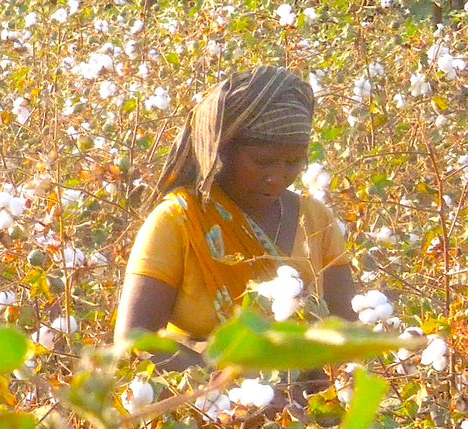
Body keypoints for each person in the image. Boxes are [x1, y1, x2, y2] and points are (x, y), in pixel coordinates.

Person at [115, 66, 357, 371]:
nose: (277, 177)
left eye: (293, 162)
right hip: (204, 409)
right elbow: (134, 342)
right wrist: (236, 380)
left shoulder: (315, 219)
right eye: (262, 162)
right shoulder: (178, 220)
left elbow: (350, 336)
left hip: (306, 410)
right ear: (223, 150)